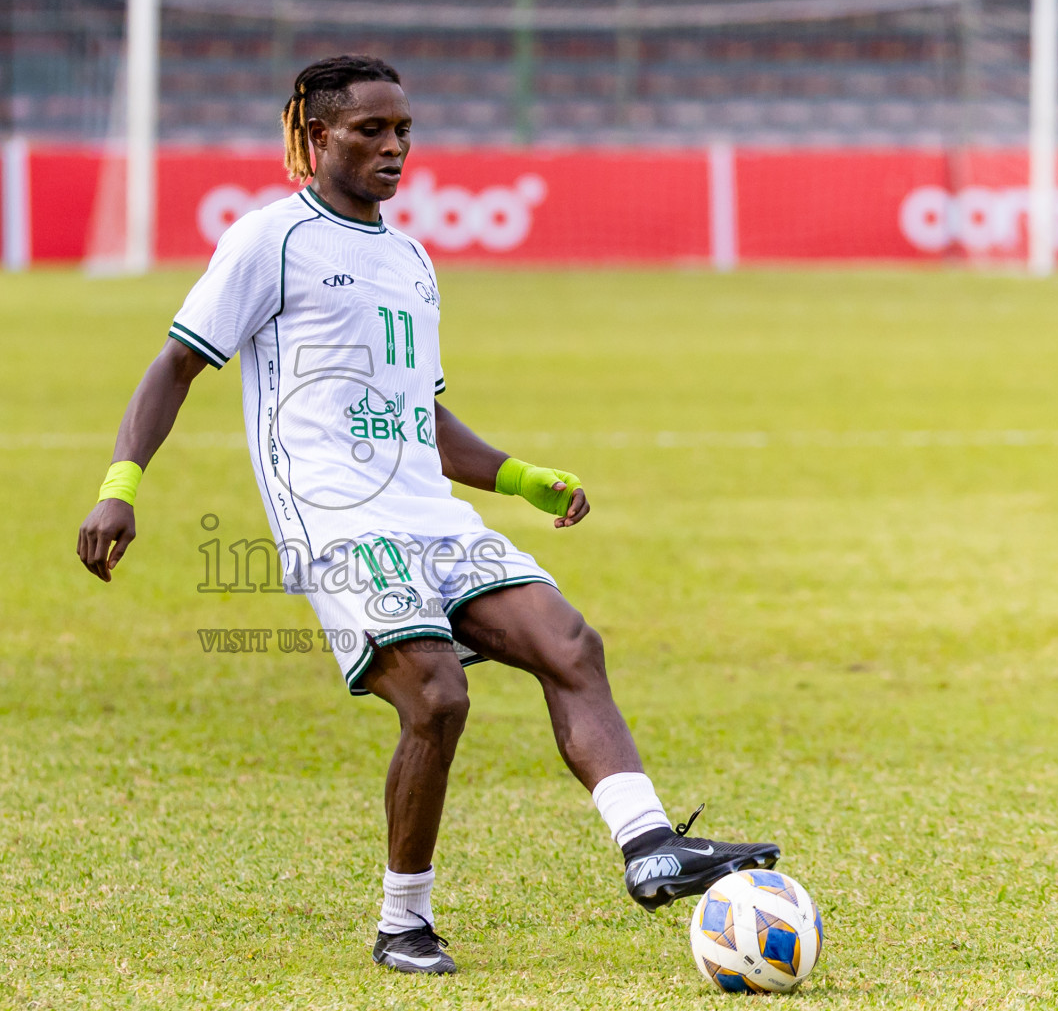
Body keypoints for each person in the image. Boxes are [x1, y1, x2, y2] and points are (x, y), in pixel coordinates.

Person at [77, 54, 777, 975]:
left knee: (570, 644)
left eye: (403, 130)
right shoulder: (268, 241)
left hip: (433, 518)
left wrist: (519, 477)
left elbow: (424, 417)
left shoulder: (410, 259)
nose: (394, 147)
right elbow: (175, 365)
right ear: (319, 136)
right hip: (337, 525)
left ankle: (649, 845)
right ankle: (403, 922)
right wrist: (121, 486)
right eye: (370, 130)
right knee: (438, 697)